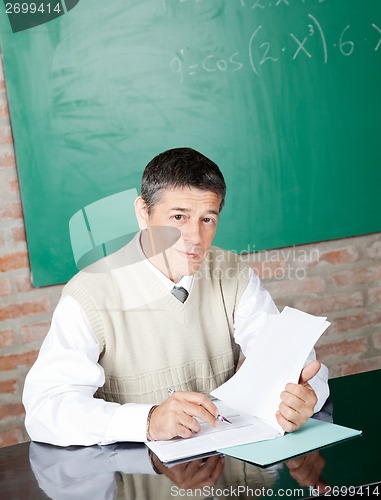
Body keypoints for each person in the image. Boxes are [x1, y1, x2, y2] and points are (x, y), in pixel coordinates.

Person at [23, 147, 329, 447]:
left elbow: (293, 362)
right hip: (136, 479)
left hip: (224, 472)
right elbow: (45, 409)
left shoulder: (233, 274)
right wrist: (149, 420)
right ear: (144, 213)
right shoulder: (89, 294)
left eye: (207, 219)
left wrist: (306, 397)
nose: (194, 237)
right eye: (179, 217)